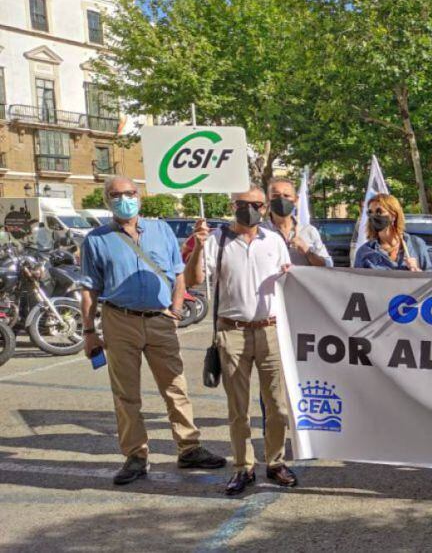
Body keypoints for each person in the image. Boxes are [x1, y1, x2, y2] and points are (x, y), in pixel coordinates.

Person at [80, 176, 225, 485]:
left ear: (139, 196)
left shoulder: (161, 230)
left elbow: (178, 274)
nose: (124, 199)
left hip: (160, 319)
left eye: (129, 193)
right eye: (116, 195)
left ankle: (189, 447)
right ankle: (135, 456)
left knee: (175, 386)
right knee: (126, 393)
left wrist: (174, 311)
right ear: (107, 201)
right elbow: (89, 289)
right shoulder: (96, 239)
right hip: (119, 320)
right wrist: (89, 330)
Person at [185, 186, 297, 496]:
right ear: (233, 205)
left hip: (270, 330)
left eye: (257, 204)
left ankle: (275, 462)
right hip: (231, 331)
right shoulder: (218, 241)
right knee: (238, 407)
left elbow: (288, 279)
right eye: (244, 204)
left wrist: (288, 275)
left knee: (276, 406)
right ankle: (243, 467)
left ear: (265, 208)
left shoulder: (274, 240)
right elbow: (195, 280)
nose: (251, 209)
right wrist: (198, 246)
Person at [263, 177, 332, 267]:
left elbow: (327, 265)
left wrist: (307, 252)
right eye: (276, 196)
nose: (281, 199)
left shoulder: (309, 231)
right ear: (268, 200)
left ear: (296, 200)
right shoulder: (260, 231)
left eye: (286, 196)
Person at [352, 193, 432, 271]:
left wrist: (417, 270)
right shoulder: (364, 252)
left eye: (379, 212)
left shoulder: (416, 245)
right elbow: (356, 282)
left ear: (393, 215)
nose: (373, 216)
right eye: (370, 212)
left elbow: (431, 278)